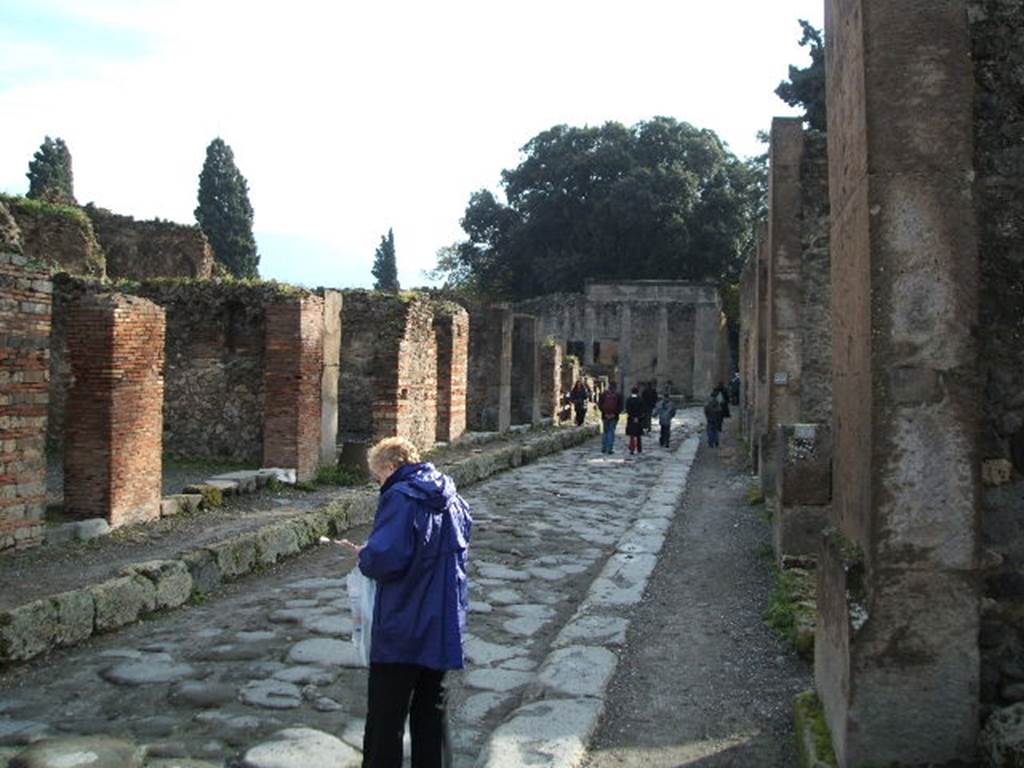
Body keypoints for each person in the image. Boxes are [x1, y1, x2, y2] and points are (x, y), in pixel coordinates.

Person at [340, 437, 472, 768]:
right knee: (432, 710)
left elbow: (386, 557)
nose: (378, 484)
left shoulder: (400, 496)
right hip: (442, 619)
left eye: (377, 477)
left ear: (390, 467)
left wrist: (365, 555)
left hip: (404, 620)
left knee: (387, 714)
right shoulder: (451, 494)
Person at [598, 382, 622, 454]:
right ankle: (610, 449)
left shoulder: (603, 394)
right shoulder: (618, 395)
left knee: (605, 432)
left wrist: (605, 413)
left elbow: (600, 405)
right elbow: (620, 407)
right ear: (615, 387)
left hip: (605, 416)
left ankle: (604, 447)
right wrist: (614, 414)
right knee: (611, 432)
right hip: (614, 417)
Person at [625, 385, 645, 455]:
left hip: (631, 418)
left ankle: (632, 448)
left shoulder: (629, 399)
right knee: (638, 434)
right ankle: (639, 448)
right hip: (639, 418)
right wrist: (639, 416)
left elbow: (627, 409)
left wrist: (632, 416)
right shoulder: (641, 399)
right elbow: (643, 409)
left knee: (632, 435)